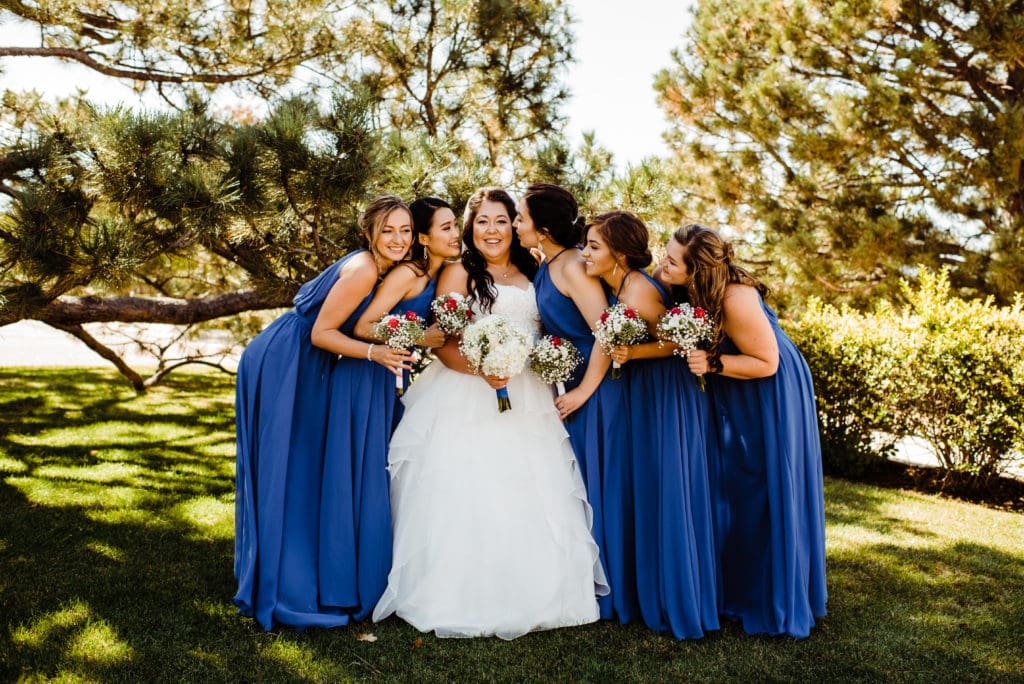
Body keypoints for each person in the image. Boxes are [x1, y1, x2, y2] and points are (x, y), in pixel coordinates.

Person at [373, 187, 608, 639]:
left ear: (515, 226)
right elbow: (444, 343)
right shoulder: (459, 272)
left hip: (531, 395)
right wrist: (485, 373)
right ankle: (458, 594)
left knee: (534, 489)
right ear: (470, 227)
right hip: (466, 390)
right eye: (482, 221)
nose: (493, 230)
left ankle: (540, 591)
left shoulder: (536, 269)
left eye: (502, 220)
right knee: (469, 490)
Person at [234, 195, 413, 631]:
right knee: (285, 466)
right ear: (368, 233)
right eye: (388, 230)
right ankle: (280, 583)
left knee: (299, 469)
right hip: (285, 359)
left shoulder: (383, 268)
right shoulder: (365, 268)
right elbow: (320, 333)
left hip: (306, 364)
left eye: (405, 230)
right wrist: (376, 352)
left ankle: (291, 568)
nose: (397, 239)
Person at [658, 224, 827, 639]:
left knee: (763, 489)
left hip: (767, 392)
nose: (662, 261)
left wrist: (713, 365)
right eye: (665, 252)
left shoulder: (735, 296)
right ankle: (738, 588)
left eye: (672, 260)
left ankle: (770, 598)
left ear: (697, 270)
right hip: (738, 389)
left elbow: (767, 362)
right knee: (735, 487)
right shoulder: (696, 290)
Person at [309, 197, 462, 625]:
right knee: (354, 477)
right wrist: (420, 336)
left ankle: (368, 578)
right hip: (364, 376)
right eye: (446, 228)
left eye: (405, 232)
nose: (456, 235)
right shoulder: (408, 274)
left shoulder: (432, 272)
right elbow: (363, 326)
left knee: (373, 477)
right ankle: (345, 583)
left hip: (387, 379)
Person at [581, 211, 719, 640]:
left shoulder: (638, 291)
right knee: (648, 488)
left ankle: (675, 596)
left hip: (667, 391)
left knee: (667, 487)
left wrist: (633, 354)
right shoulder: (618, 282)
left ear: (619, 255)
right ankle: (644, 590)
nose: (586, 253)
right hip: (644, 391)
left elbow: (680, 340)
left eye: (594, 247)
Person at [513, 183, 637, 623]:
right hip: (573, 390)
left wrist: (584, 390)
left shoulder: (572, 267)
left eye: (520, 218)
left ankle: (617, 590)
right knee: (584, 484)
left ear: (542, 229)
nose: (514, 225)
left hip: (599, 389)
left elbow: (607, 329)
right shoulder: (546, 264)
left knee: (602, 483)